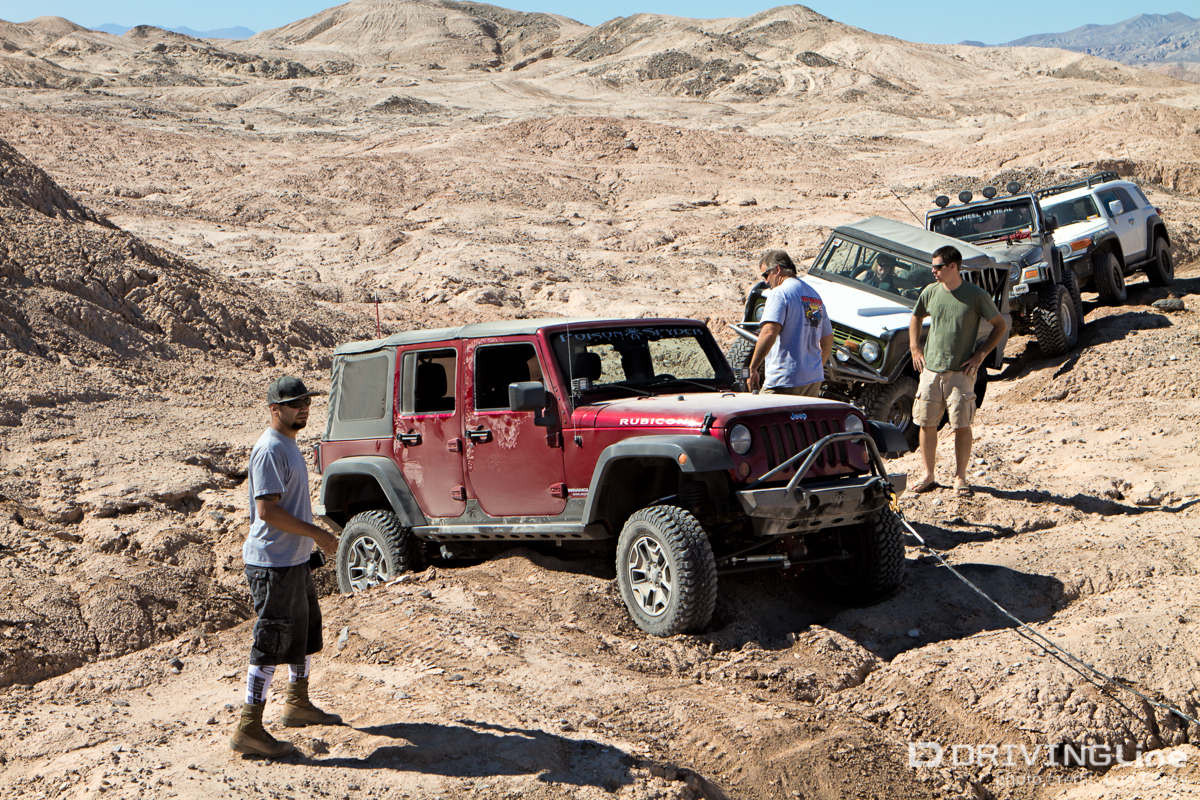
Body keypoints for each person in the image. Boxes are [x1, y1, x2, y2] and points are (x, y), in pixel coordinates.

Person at [230, 375, 342, 758]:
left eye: (307, 402)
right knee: (270, 642)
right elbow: (267, 511)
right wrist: (317, 534)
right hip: (272, 564)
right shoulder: (269, 449)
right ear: (274, 409)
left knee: (304, 633)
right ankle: (249, 727)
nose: (304, 408)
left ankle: (297, 703)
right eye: (296, 404)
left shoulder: (288, 444)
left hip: (292, 560)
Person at [908, 246, 1008, 497]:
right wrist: (915, 348)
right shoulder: (930, 291)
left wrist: (980, 355)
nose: (933, 271)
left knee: (961, 425)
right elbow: (916, 317)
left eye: (938, 267)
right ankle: (928, 475)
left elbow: (1000, 326)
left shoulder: (975, 295)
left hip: (961, 375)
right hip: (930, 372)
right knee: (926, 423)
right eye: (933, 266)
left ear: (953, 266)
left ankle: (960, 477)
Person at [747, 250, 833, 396]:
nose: (766, 281)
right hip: (812, 381)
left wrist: (752, 368)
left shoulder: (779, 293)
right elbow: (828, 338)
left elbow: (769, 333)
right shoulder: (814, 296)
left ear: (777, 269)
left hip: (785, 379)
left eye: (766, 275)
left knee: (762, 411)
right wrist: (817, 368)